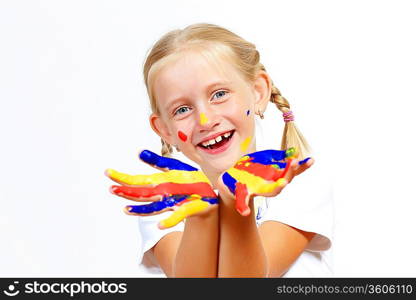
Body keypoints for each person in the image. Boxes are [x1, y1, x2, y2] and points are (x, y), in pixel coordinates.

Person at [106, 23, 333, 277]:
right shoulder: (171, 199)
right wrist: (201, 217)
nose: (205, 120)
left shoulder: (297, 180)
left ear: (257, 92)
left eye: (219, 94)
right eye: (182, 110)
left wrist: (234, 200)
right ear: (164, 130)